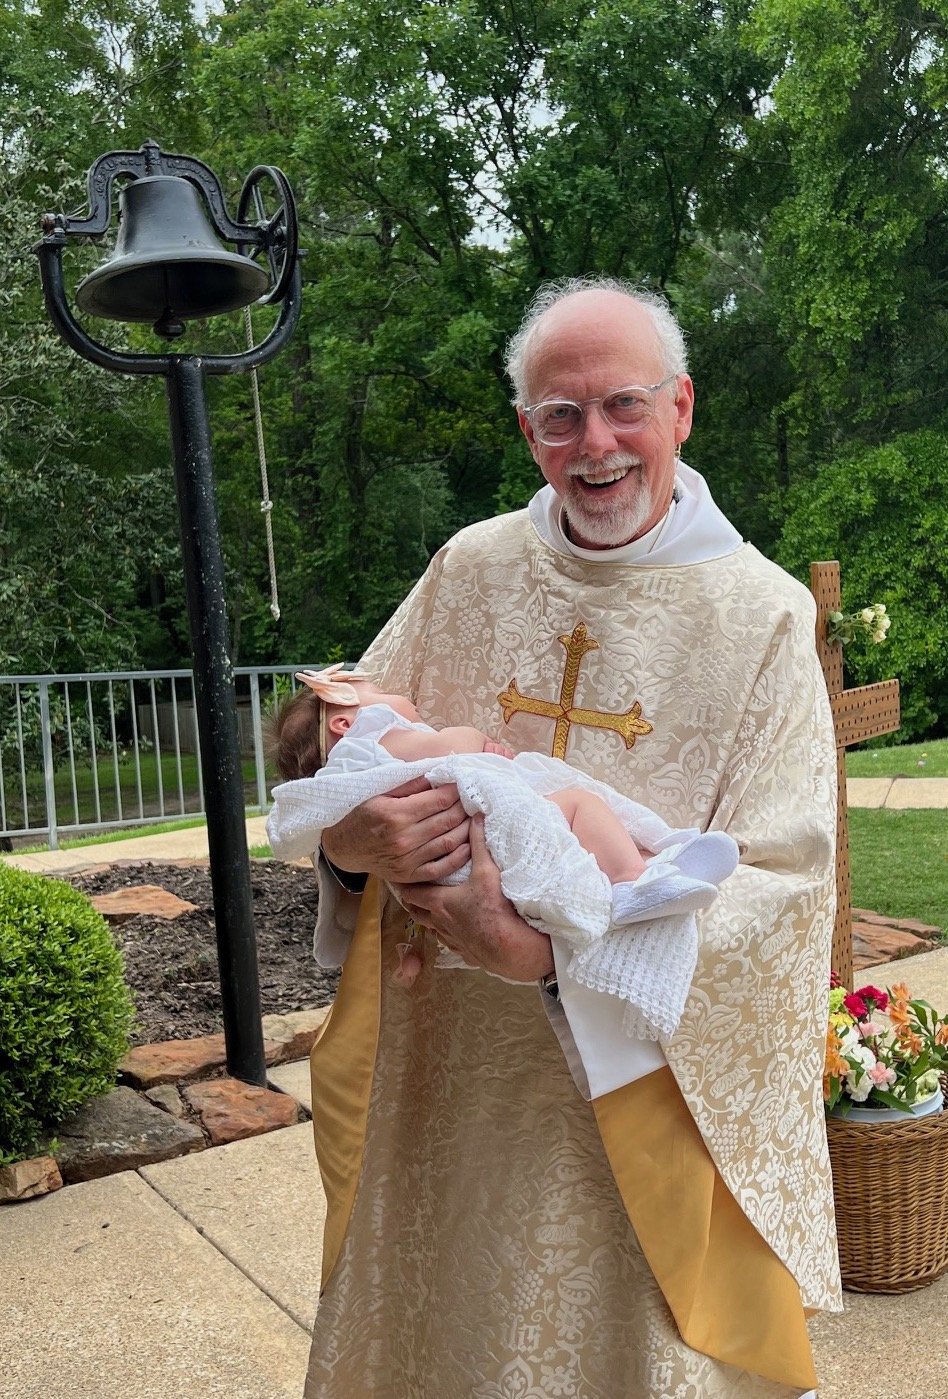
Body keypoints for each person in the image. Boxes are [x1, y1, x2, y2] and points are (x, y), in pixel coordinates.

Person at [299, 278, 839, 1398]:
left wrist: (552, 952)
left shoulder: (763, 615)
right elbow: (345, 743)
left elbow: (786, 886)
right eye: (560, 414)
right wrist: (358, 842)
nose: (594, 444)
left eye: (624, 406)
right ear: (526, 428)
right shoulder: (469, 567)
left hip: (633, 1132)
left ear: (682, 408)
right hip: (447, 1106)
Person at [267, 666, 738, 1025]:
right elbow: (419, 764)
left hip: (484, 859)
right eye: (381, 693)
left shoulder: (769, 612)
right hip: (482, 866)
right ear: (343, 723)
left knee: (575, 835)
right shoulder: (370, 739)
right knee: (581, 806)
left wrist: (534, 952)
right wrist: (347, 845)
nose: (399, 694)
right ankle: (640, 880)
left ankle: (641, 876)